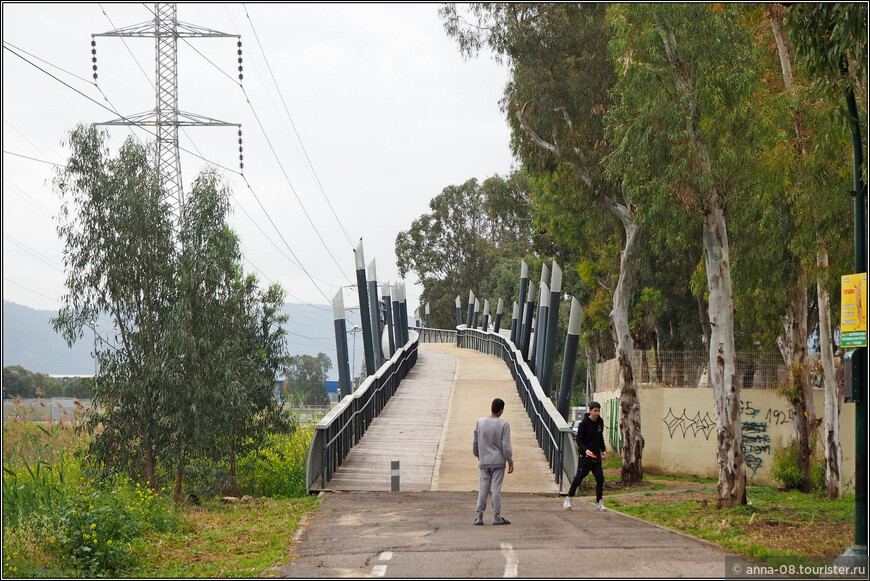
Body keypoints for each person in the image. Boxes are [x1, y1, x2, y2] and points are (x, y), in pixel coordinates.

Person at [473, 397, 514, 525]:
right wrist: (510, 461)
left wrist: (479, 455)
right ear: (501, 410)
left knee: (483, 489)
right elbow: (506, 446)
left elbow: (475, 442)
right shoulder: (504, 424)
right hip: (498, 462)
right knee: (496, 489)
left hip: (484, 461)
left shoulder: (480, 422)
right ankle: (497, 516)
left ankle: (479, 516)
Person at [563, 401, 607, 511]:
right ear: (590, 411)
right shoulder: (584, 424)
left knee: (600, 478)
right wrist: (585, 450)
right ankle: (569, 498)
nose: (597, 413)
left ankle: (599, 501)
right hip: (585, 456)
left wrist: (603, 450)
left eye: (598, 411)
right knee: (579, 478)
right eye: (595, 411)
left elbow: (600, 437)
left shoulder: (600, 422)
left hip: (596, 456)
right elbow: (579, 440)